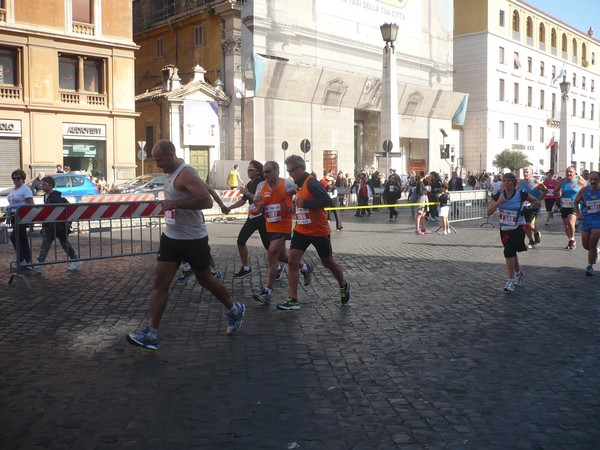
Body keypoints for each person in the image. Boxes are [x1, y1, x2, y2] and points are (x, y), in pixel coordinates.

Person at [127, 140, 245, 350]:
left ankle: (234, 308)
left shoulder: (186, 173)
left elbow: (205, 200)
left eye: (160, 160)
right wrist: (220, 203)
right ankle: (151, 332)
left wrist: (176, 203)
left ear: (171, 155)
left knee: (205, 279)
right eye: (155, 160)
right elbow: (206, 189)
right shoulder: (176, 168)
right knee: (160, 283)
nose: (158, 164)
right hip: (171, 236)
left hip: (193, 238)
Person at [279, 154, 350, 310]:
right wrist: (295, 208)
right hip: (301, 230)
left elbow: (327, 201)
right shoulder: (297, 184)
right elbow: (302, 204)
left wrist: (306, 203)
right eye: (288, 170)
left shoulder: (311, 182)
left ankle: (343, 285)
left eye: (291, 170)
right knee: (292, 261)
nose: (289, 174)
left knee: (327, 262)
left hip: (318, 231)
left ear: (300, 168)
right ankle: (293, 299)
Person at [251, 161, 313, 304]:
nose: (265, 174)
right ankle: (304, 267)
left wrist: (293, 205)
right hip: (270, 225)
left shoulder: (287, 184)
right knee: (283, 257)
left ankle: (267, 292)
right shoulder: (262, 186)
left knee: (272, 254)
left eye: (268, 172)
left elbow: (300, 193)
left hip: (283, 225)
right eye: (264, 172)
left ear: (277, 172)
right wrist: (258, 204)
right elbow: (256, 200)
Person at [221, 160, 283, 280]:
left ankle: (279, 267)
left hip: (263, 217)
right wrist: (229, 208)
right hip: (253, 217)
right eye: (247, 170)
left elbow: (260, 200)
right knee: (241, 240)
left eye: (251, 170)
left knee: (268, 246)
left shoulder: (263, 183)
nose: (248, 172)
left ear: (257, 171)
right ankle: (246, 268)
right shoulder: (250, 184)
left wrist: (248, 193)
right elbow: (243, 200)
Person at [486, 173, 541, 293]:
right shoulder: (498, 195)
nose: (506, 183)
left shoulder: (520, 194)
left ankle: (510, 281)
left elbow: (537, 201)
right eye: (504, 181)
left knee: (508, 251)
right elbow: (489, 212)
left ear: (514, 182)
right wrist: (498, 202)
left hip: (518, 227)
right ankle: (518, 273)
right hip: (504, 228)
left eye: (509, 181)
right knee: (512, 252)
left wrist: (529, 208)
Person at [33, 176, 83, 273]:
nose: (42, 186)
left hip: (57, 225)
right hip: (50, 225)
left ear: (50, 186)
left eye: (44, 184)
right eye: (42, 184)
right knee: (46, 244)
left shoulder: (55, 196)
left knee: (63, 244)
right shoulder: (46, 196)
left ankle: (75, 260)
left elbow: (56, 211)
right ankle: (40, 263)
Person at [5, 169, 35, 268]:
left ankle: (24, 260)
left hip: (22, 216)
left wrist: (29, 217)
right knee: (22, 238)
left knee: (14, 237)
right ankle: (26, 260)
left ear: (23, 178)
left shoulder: (25, 189)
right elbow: (11, 203)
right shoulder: (13, 190)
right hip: (13, 216)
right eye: (14, 178)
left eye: (18, 178)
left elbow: (31, 204)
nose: (16, 180)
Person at [573, 171, 600, 276]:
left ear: (599, 180)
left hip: (598, 220)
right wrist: (578, 214)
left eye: (595, 179)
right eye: (591, 179)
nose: (593, 181)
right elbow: (575, 202)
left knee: (593, 242)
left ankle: (590, 266)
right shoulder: (584, 190)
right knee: (586, 245)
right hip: (586, 219)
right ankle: (596, 252)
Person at [555, 166, 587, 250]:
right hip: (564, 206)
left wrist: (583, 201)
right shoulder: (561, 182)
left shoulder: (580, 182)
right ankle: (570, 240)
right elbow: (555, 192)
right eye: (567, 172)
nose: (568, 173)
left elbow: (587, 193)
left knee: (570, 221)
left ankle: (572, 240)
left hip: (575, 206)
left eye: (570, 172)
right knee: (566, 225)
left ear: (574, 173)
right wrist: (558, 193)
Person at [517, 167, 547, 248]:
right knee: (525, 224)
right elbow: (515, 191)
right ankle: (530, 240)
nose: (525, 174)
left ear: (531, 173)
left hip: (534, 206)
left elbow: (545, 190)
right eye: (524, 172)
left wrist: (539, 199)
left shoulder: (535, 182)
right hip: (523, 206)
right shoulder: (520, 182)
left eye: (527, 172)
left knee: (530, 224)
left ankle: (536, 233)